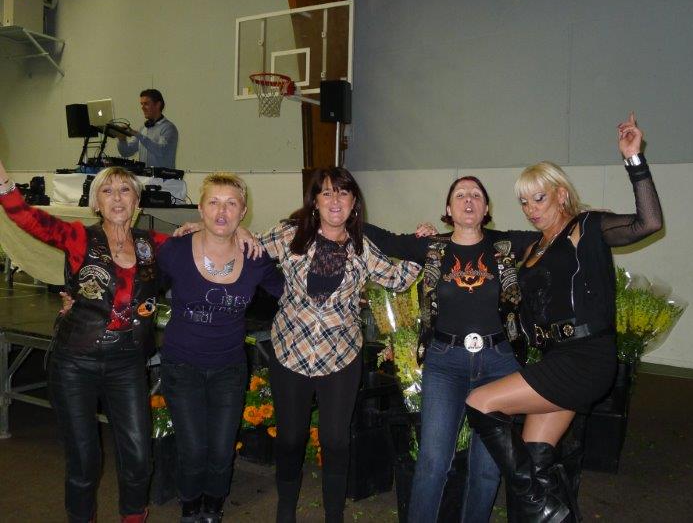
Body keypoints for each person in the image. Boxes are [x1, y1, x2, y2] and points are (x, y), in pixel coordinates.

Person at [464, 113, 663, 522]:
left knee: (480, 404)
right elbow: (479, 244)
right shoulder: (534, 247)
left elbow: (649, 222)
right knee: (536, 459)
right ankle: (553, 510)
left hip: (586, 356)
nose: (531, 209)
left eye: (538, 198)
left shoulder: (585, 227)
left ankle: (546, 508)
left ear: (559, 194)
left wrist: (634, 160)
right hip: (557, 358)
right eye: (524, 202)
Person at [0, 162, 166, 523]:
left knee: (139, 457)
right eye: (107, 191)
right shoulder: (78, 237)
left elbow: (204, 247)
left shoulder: (154, 244)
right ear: (95, 204)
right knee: (84, 460)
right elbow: (27, 218)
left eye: (125, 190)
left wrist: (222, 230)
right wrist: (3, 181)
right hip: (76, 361)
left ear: (137, 201)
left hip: (127, 362)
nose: (117, 198)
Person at [362, 178, 535, 523]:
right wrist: (339, 212)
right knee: (432, 463)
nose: (468, 200)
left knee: (487, 469)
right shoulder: (432, 248)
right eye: (460, 195)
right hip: (445, 363)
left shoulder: (507, 244)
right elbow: (383, 238)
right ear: (447, 209)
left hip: (499, 364)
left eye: (476, 195)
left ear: (486, 208)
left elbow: (556, 233)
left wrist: (583, 219)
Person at [256, 167, 421, 523]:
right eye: (327, 192)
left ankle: (335, 514)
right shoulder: (290, 234)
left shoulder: (362, 247)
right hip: (290, 352)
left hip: (340, 356)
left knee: (336, 440)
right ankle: (285, 510)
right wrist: (204, 232)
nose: (335, 200)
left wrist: (423, 246)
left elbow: (397, 279)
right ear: (314, 201)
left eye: (343, 193)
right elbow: (247, 248)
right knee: (290, 438)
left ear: (354, 202)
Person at [159, 173, 283, 523]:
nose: (221, 211)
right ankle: (189, 508)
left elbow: (288, 293)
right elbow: (142, 285)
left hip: (229, 368)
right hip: (181, 365)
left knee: (221, 449)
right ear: (200, 209)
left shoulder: (255, 257)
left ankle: (213, 508)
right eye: (213, 202)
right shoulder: (175, 250)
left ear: (243, 212)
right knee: (193, 448)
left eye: (231, 204)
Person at [117, 88, 179, 168]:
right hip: (145, 175)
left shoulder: (168, 128)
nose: (142, 107)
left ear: (158, 105)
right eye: (141, 104)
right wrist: (122, 140)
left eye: (146, 104)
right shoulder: (143, 129)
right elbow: (126, 152)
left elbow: (161, 151)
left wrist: (139, 135)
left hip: (163, 176)